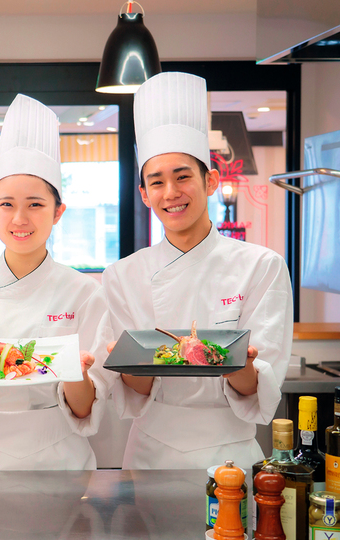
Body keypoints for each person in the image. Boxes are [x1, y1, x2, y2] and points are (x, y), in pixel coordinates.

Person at [103, 72, 293, 469]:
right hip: (150, 452)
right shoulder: (123, 275)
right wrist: (127, 366)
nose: (170, 193)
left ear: (210, 181)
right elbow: (134, 393)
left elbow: (260, 389)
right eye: (156, 182)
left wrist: (240, 364)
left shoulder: (262, 266)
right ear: (144, 194)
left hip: (231, 454)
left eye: (183, 177)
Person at [0, 94, 114, 471]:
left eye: (35, 204)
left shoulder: (85, 293)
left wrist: (75, 372)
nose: (19, 218)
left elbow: (84, 409)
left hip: (62, 457)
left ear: (58, 212)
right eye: (7, 204)